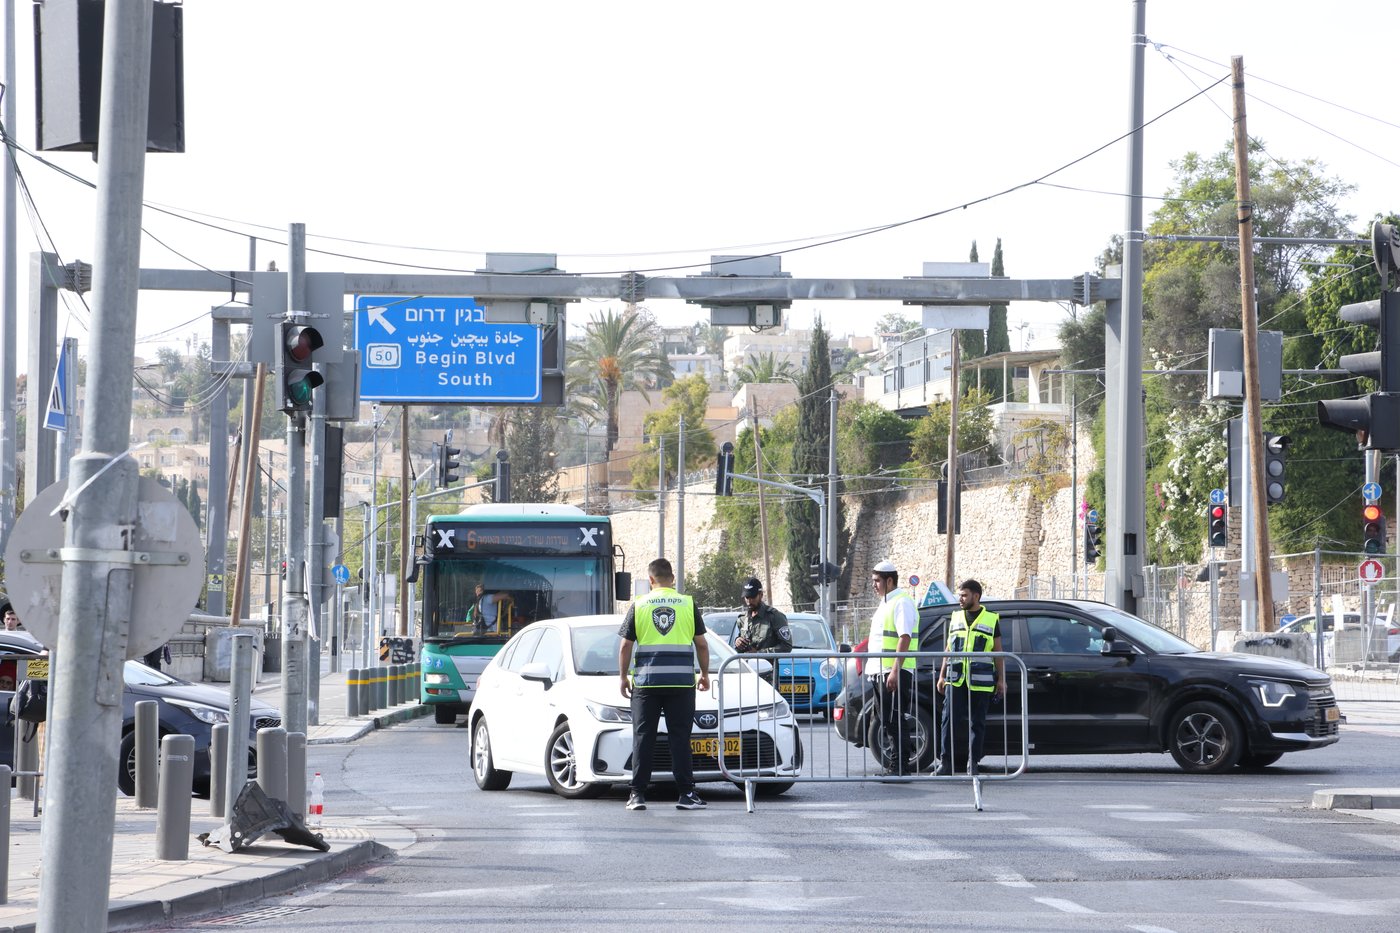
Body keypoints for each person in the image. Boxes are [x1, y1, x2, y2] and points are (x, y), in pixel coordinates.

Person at [617, 557, 710, 812]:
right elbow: (701, 643)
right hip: (680, 684)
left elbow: (626, 645)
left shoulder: (639, 604)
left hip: (647, 684)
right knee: (680, 738)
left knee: (643, 737)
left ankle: (637, 795)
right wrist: (704, 674)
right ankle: (687, 794)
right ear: (673, 579)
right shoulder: (688, 603)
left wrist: (623, 677)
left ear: (650, 580)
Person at [935, 578, 1005, 776]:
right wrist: (942, 675)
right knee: (948, 721)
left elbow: (998, 651)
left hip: (980, 680)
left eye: (964, 595)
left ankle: (972, 763)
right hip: (956, 678)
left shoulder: (991, 619)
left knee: (977, 723)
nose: (961, 599)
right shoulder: (956, 617)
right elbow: (948, 648)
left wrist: (1001, 680)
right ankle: (945, 763)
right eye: (960, 595)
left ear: (976, 596)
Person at [864, 559, 918, 776]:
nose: (874, 585)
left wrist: (895, 670)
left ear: (889, 580)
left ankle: (900, 767)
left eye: (877, 581)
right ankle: (898, 763)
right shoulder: (886, 602)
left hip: (893, 672)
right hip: (881, 671)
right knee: (887, 720)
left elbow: (904, 637)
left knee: (895, 719)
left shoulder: (902, 602)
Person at [733, 577, 792, 654]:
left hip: (768, 665)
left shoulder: (775, 617)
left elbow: (786, 646)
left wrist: (759, 653)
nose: (749, 601)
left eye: (753, 597)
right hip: (746, 664)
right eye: (747, 597)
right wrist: (738, 641)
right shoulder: (742, 619)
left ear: (761, 595)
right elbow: (736, 644)